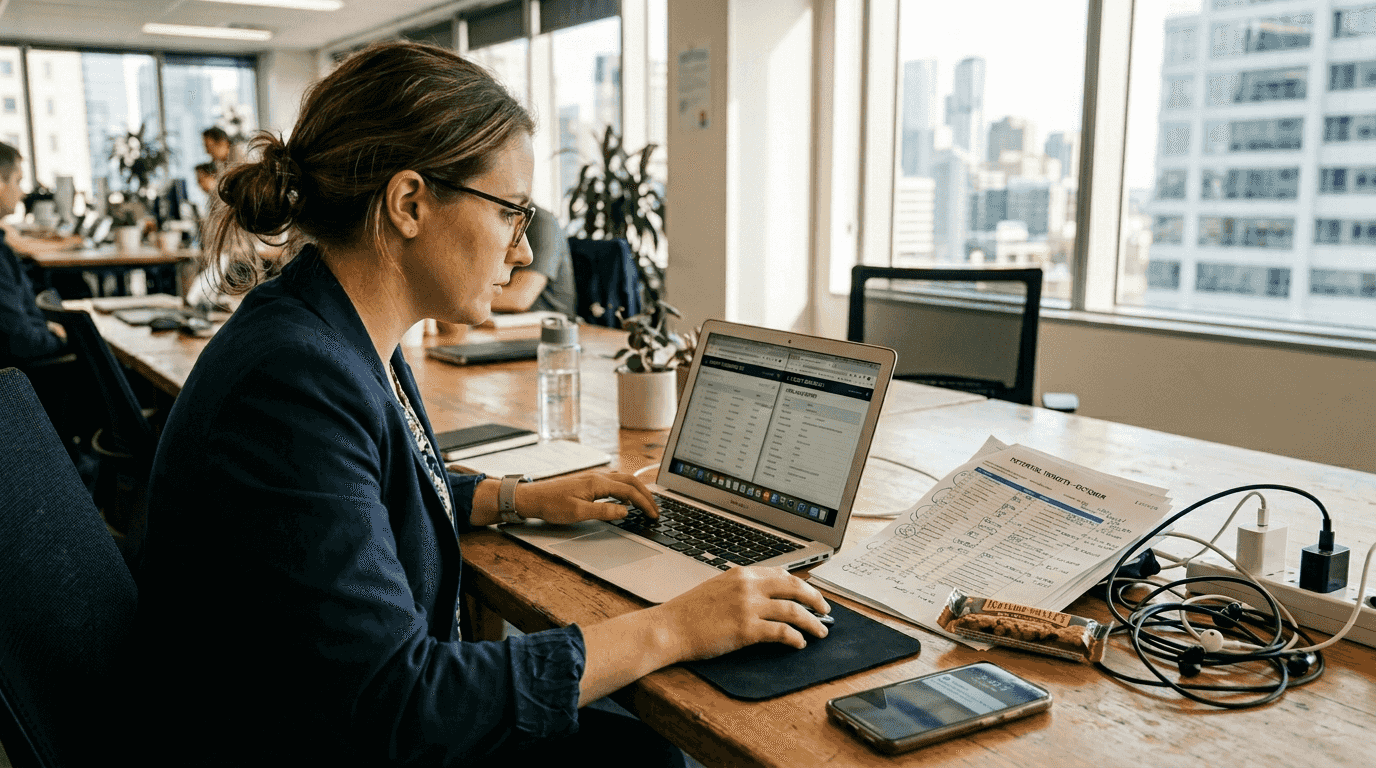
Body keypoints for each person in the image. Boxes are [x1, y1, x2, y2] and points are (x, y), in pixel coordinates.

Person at [134, 41, 829, 767]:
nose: (523, 253)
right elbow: (402, 706)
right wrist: (676, 627)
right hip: (313, 739)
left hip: (306, 713)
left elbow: (361, 497)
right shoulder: (295, 382)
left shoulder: (327, 326)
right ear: (409, 204)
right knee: (651, 752)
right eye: (511, 214)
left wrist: (516, 498)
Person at [0, 141, 66, 370]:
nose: (22, 192)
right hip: (31, 377)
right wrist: (61, 338)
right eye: (17, 181)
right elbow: (20, 342)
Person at [489, 203, 576, 317]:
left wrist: (464, 298)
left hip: (545, 327)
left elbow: (519, 299)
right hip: (498, 321)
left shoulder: (543, 222)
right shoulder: (495, 219)